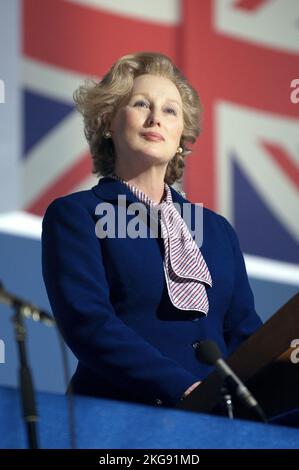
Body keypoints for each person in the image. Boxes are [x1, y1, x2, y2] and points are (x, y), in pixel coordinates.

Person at [42, 52, 262, 408]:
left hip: (216, 425)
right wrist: (181, 388)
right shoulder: (77, 215)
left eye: (170, 110)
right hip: (118, 418)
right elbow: (89, 323)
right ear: (108, 122)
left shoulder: (217, 231)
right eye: (141, 103)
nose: (155, 117)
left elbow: (244, 334)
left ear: (181, 138)